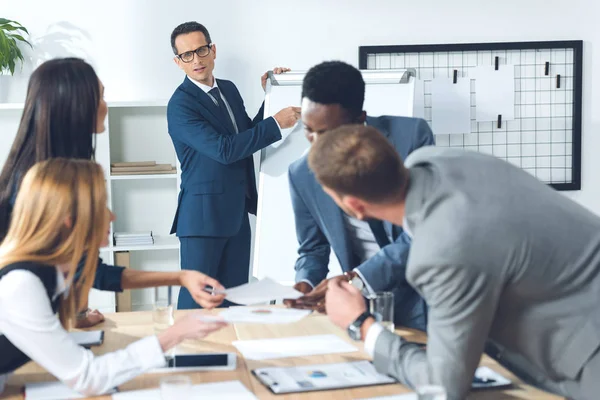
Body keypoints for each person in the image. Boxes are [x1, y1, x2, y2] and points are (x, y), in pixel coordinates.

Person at [308, 124, 600, 400]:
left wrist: (361, 323)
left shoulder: (441, 253)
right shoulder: (435, 159)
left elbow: (443, 388)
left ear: (354, 207)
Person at [0, 58, 227, 328]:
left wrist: (76, 313)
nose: (105, 106)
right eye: (100, 97)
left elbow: (84, 268)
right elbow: (79, 271)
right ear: (75, 108)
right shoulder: (41, 183)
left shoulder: (53, 171)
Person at [0, 158, 228, 396]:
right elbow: (89, 378)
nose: (112, 216)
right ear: (69, 219)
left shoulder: (51, 270)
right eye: (101, 206)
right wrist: (177, 333)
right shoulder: (22, 284)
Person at [285, 61, 433, 330]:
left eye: (328, 133)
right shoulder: (301, 174)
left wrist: (359, 278)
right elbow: (312, 248)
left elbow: (423, 230)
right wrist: (304, 284)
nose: (317, 144)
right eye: (309, 130)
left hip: (425, 296)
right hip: (361, 304)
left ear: (359, 121)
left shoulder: (411, 139)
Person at [167, 22, 301, 309]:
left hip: (238, 215)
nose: (197, 60)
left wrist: (272, 95)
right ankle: (192, 356)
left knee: (236, 303)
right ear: (178, 63)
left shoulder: (228, 89)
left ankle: (229, 356)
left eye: (201, 50)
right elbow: (224, 150)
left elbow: (244, 138)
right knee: (198, 304)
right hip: (202, 220)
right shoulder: (180, 105)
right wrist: (276, 123)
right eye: (187, 55)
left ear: (213, 50)